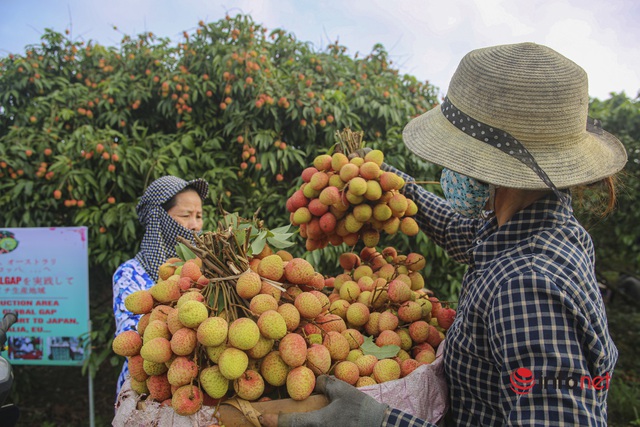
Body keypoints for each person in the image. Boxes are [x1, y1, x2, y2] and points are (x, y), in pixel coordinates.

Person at [261, 43, 627, 426]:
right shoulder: (533, 230)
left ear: (494, 170)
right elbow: (462, 232)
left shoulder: (527, 285)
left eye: (458, 158)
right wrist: (397, 187)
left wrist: (381, 422)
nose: (449, 168)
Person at [112, 175, 208, 396]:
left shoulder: (207, 271)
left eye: (199, 216)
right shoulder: (129, 274)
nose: (195, 225)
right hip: (146, 393)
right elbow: (135, 340)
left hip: (198, 391)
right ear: (159, 218)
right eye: (186, 215)